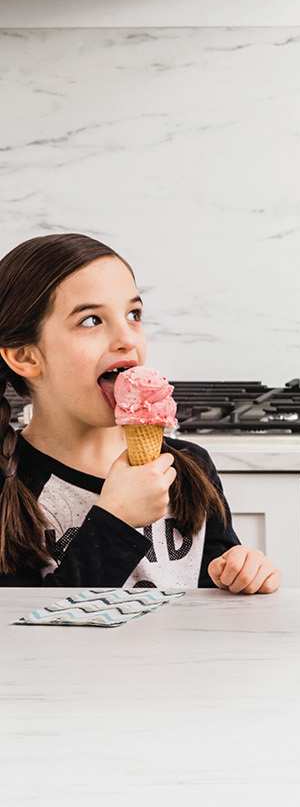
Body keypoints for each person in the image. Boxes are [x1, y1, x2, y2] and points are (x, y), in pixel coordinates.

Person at [0, 233, 279, 592]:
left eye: (134, 315)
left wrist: (241, 571)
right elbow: (25, 634)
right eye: (90, 321)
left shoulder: (188, 467)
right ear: (25, 356)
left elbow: (216, 586)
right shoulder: (12, 487)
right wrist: (114, 519)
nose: (127, 338)